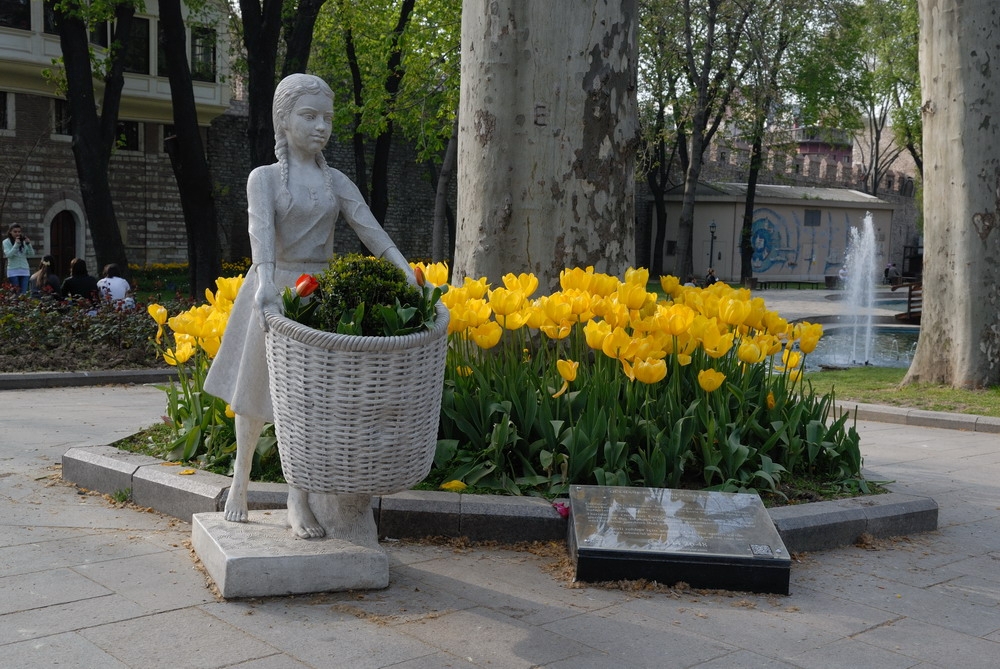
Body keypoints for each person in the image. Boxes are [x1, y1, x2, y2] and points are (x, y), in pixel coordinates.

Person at [204, 73, 416, 540]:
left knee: (309, 401)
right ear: (284, 119)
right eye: (309, 116)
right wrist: (263, 284)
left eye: (327, 118)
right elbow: (260, 234)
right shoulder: (262, 179)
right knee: (257, 393)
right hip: (274, 289)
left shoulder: (335, 181)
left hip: (320, 292)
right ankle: (239, 482)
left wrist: (404, 269)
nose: (321, 126)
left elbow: (371, 230)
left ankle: (296, 496)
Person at [3, 223, 35, 294]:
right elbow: (9, 255)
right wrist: (16, 245)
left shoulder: (23, 241)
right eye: (15, 232)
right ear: (10, 232)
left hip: (24, 270)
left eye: (19, 232)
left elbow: (31, 254)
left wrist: (28, 244)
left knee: (23, 293)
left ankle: (24, 305)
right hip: (13, 270)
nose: (17, 233)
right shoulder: (6, 242)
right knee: (16, 293)